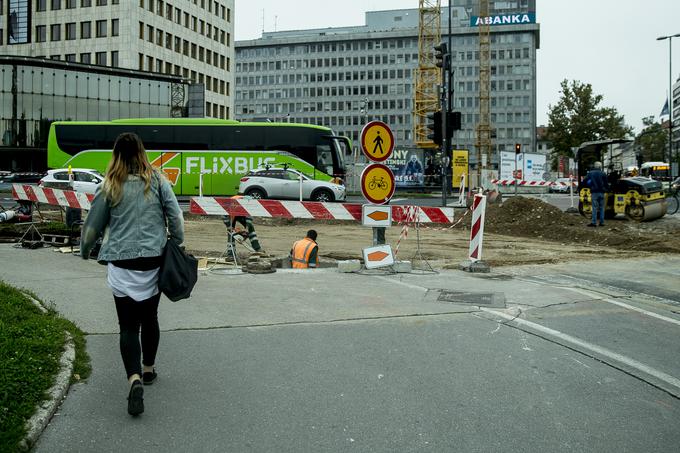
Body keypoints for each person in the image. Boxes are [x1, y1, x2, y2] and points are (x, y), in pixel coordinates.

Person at [80, 132, 184, 416]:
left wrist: (85, 251)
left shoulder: (109, 185)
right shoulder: (158, 181)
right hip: (153, 262)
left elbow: (92, 225)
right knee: (150, 318)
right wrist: (177, 241)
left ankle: (133, 378)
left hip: (121, 264)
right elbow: (175, 217)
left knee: (127, 326)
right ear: (141, 152)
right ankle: (149, 370)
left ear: (116, 154)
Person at [585, 161, 609, 227]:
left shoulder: (590, 173)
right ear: (600, 167)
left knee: (594, 208)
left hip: (594, 192)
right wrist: (607, 190)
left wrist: (589, 185)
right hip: (602, 192)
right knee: (602, 208)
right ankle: (602, 222)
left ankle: (594, 222)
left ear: (594, 166)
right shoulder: (603, 173)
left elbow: (585, 181)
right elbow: (606, 183)